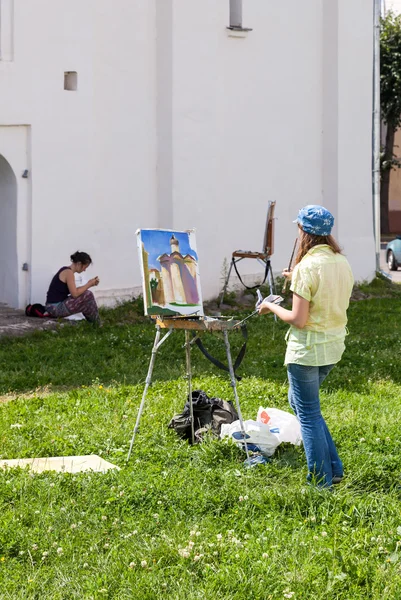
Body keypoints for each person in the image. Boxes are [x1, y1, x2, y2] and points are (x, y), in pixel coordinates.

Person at [258, 205, 354, 489]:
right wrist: (295, 279)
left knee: (308, 413)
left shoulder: (307, 267)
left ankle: (321, 482)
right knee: (300, 404)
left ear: (303, 232)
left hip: (307, 351)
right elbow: (325, 288)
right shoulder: (340, 261)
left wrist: (269, 307)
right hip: (333, 347)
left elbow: (297, 319)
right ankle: (334, 468)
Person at [45, 251, 101, 324]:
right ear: (79, 264)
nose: (84, 270)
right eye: (85, 267)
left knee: (86, 298)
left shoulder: (66, 270)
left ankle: (94, 323)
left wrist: (89, 284)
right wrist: (89, 284)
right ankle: (96, 323)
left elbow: (76, 292)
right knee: (88, 294)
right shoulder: (69, 273)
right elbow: (75, 294)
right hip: (54, 308)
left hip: (52, 307)